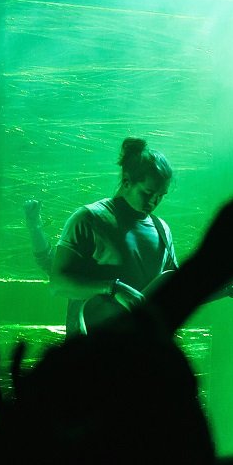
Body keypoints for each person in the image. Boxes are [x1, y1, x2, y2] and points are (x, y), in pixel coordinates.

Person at [50, 138, 181, 336]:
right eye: (148, 192)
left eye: (161, 195)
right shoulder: (88, 219)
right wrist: (112, 288)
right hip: (90, 356)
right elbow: (58, 284)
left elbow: (175, 289)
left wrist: (228, 286)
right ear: (127, 181)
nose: (155, 201)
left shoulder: (162, 230)